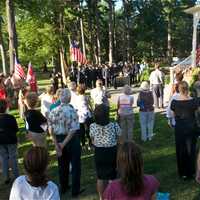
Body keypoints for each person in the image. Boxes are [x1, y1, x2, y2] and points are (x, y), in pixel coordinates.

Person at [48, 89, 83, 197]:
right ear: (69, 98)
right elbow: (73, 130)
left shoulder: (53, 111)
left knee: (62, 165)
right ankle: (75, 190)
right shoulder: (72, 110)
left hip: (59, 139)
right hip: (71, 140)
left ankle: (63, 187)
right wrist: (61, 144)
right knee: (75, 165)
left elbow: (50, 129)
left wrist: (56, 144)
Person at [89, 104, 121, 200]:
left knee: (100, 176)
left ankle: (101, 197)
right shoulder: (114, 125)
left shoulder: (92, 126)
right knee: (112, 176)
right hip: (111, 151)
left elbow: (92, 138)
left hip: (99, 152)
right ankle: (113, 196)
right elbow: (120, 139)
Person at [171, 81, 199, 180]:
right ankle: (191, 171)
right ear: (187, 89)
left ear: (179, 89)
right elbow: (196, 114)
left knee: (181, 149)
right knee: (191, 149)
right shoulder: (193, 101)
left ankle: (183, 173)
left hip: (180, 128)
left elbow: (173, 115)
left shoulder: (174, 102)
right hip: (191, 127)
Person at [0, 99, 19, 184]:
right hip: (11, 140)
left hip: (1, 141)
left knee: (4, 159)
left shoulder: (11, 117)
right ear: (6, 107)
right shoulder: (10, 118)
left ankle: (6, 177)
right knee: (13, 158)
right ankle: (16, 177)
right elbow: (16, 129)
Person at [76, 84, 93, 148]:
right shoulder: (87, 97)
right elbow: (90, 106)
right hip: (87, 115)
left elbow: (76, 107)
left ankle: (83, 144)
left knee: (81, 130)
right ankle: (90, 144)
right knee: (88, 130)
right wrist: (92, 111)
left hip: (80, 115)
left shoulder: (76, 98)